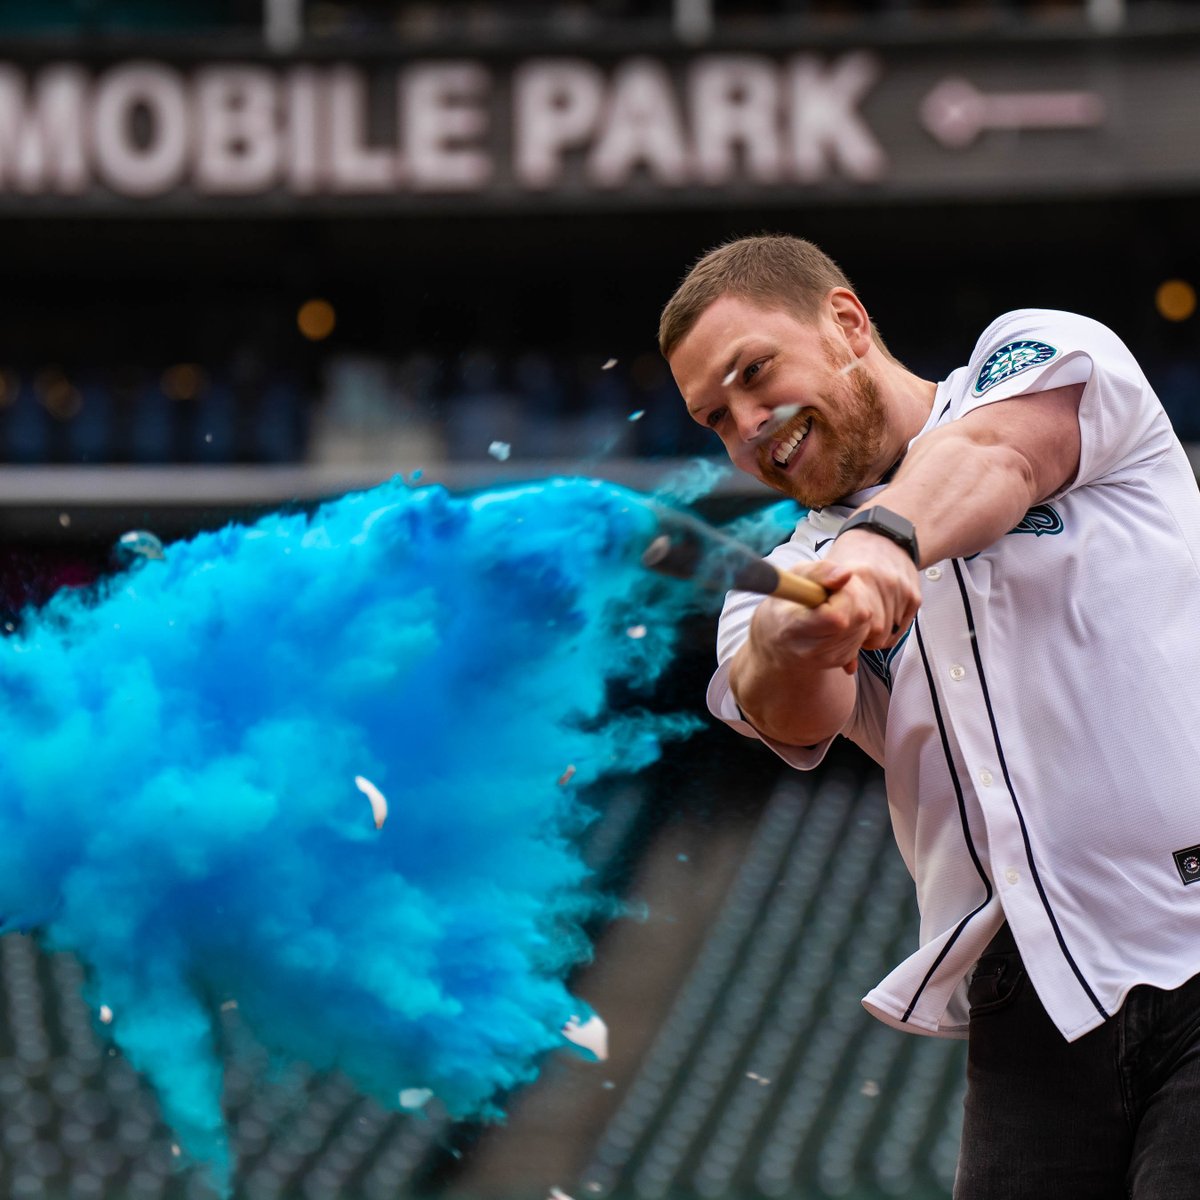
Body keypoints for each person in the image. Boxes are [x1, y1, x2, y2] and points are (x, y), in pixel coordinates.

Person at [659, 233, 1200, 1200]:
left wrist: (885, 542)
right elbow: (787, 707)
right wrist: (795, 640)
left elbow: (996, 456)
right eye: (714, 417)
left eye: (755, 372)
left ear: (845, 322)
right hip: (1032, 1002)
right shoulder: (781, 579)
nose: (746, 425)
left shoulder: (1035, 354)